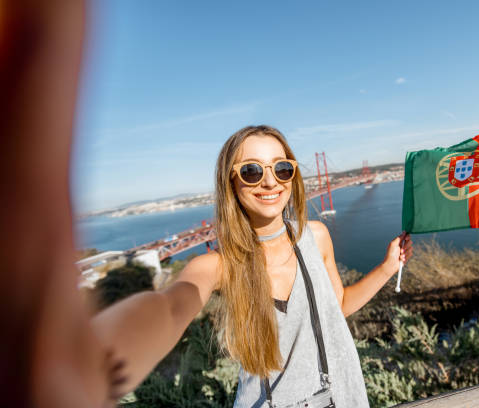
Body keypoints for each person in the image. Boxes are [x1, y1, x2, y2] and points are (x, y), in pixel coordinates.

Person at [92, 125, 413, 407]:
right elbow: (172, 307)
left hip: (344, 396)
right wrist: (98, 354)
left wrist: (387, 267)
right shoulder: (217, 266)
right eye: (252, 171)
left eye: (282, 168)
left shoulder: (316, 236)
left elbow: (338, 305)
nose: (270, 182)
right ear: (231, 181)